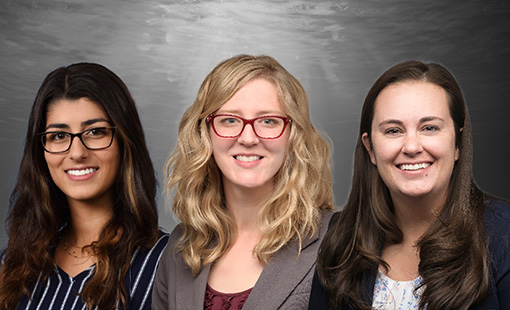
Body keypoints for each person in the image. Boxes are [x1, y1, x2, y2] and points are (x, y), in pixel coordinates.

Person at [309, 60, 510, 309]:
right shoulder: (340, 239)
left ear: (457, 143)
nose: (412, 147)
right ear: (370, 147)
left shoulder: (504, 235)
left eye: (429, 128)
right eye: (393, 131)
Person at [152, 54, 334, 309]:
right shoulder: (180, 246)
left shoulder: (337, 240)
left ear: (294, 135)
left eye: (268, 121)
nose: (248, 138)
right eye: (230, 120)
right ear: (205, 133)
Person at [0, 63, 169, 309]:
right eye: (58, 136)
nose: (77, 152)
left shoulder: (165, 262)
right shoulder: (18, 266)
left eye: (96, 132)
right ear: (41, 153)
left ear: (124, 142)